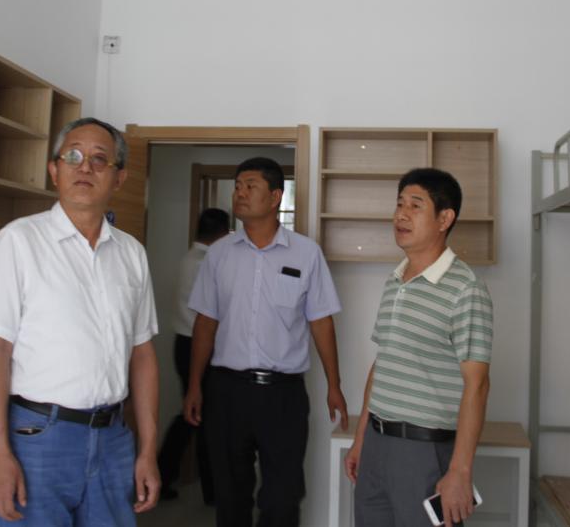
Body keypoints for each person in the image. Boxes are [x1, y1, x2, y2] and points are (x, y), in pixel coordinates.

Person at [0, 117, 160, 527]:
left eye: (99, 159)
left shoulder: (131, 254)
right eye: (72, 156)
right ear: (54, 170)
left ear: (119, 178)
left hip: (113, 438)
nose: (84, 166)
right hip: (39, 438)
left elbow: (142, 355)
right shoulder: (19, 241)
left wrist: (147, 450)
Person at [183, 156, 348, 527]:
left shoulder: (306, 253)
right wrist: (195, 385)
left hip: (283, 395)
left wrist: (334, 386)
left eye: (250, 186)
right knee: (230, 495)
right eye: (237, 186)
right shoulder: (219, 253)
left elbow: (321, 322)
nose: (240, 193)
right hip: (227, 391)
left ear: (275, 197)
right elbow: (206, 322)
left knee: (283, 497)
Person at [345, 168, 493, 527]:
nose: (401, 214)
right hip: (377, 442)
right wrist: (361, 438)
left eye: (415, 205)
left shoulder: (465, 289)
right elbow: (383, 364)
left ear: (445, 219)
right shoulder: (395, 280)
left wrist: (460, 470)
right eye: (399, 204)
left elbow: (477, 384)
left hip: (425, 451)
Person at [157, 207, 230, 503]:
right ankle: (195, 485)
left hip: (184, 345)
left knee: (197, 416)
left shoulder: (189, 258)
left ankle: (175, 478)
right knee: (199, 416)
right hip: (198, 346)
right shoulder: (205, 263)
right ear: (222, 233)